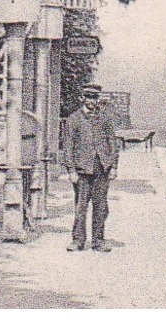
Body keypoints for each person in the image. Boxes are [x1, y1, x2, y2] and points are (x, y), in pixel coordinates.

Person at [60, 83, 119, 252]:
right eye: (88, 97)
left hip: (102, 168)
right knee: (80, 207)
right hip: (81, 170)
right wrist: (70, 170)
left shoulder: (104, 119)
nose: (91, 101)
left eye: (94, 98)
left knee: (101, 207)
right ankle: (78, 240)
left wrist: (113, 166)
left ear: (98, 99)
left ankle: (98, 241)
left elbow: (112, 143)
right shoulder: (74, 119)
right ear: (82, 98)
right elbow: (68, 147)